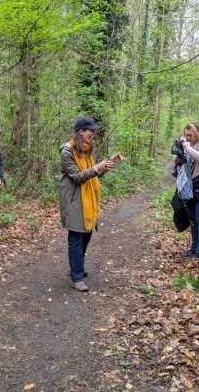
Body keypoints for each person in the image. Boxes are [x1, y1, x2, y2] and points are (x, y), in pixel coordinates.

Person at [59, 117, 119, 292]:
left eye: (93, 130)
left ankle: (77, 267)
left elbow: (92, 176)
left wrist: (107, 165)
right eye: (89, 130)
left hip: (87, 200)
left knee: (86, 234)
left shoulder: (86, 151)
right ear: (80, 131)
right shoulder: (67, 151)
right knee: (76, 237)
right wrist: (96, 168)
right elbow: (77, 177)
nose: (93, 133)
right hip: (72, 200)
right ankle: (76, 277)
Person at [179, 122, 199, 260]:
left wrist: (186, 146)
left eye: (190, 135)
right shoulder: (188, 147)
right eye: (186, 135)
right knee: (193, 220)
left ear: (197, 133)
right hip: (189, 190)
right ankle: (194, 248)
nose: (188, 138)